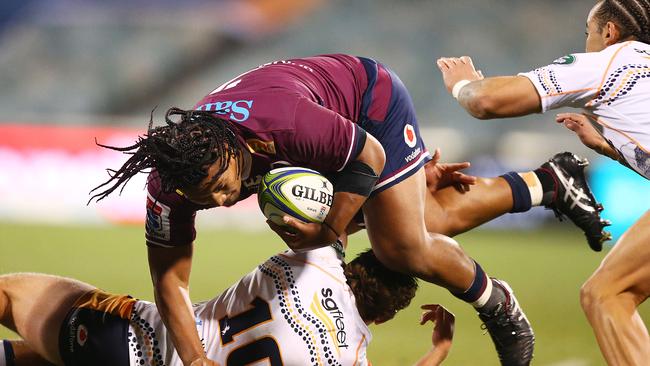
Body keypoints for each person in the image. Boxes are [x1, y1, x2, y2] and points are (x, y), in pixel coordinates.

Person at [89, 54, 606, 365]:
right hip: (313, 147)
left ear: (230, 149)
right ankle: (548, 183)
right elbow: (170, 285)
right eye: (208, 201)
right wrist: (196, 360)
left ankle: (498, 304)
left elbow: (371, 157)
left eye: (225, 187)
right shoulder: (170, 184)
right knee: (421, 221)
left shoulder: (284, 124)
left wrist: (330, 233)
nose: (223, 202)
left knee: (401, 245)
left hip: (365, 106)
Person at [436, 0, 650, 363]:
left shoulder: (607, 62)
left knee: (607, 294)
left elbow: (486, 101)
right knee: (606, 292)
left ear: (609, 32)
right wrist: (606, 147)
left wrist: (462, 85)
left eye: (589, 33)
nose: (587, 42)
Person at [0, 246, 455, 366]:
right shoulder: (350, 357)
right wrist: (438, 349)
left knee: (7, 295)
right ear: (386, 314)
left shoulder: (315, 260)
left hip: (128, 338)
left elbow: (349, 204)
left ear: (358, 262)